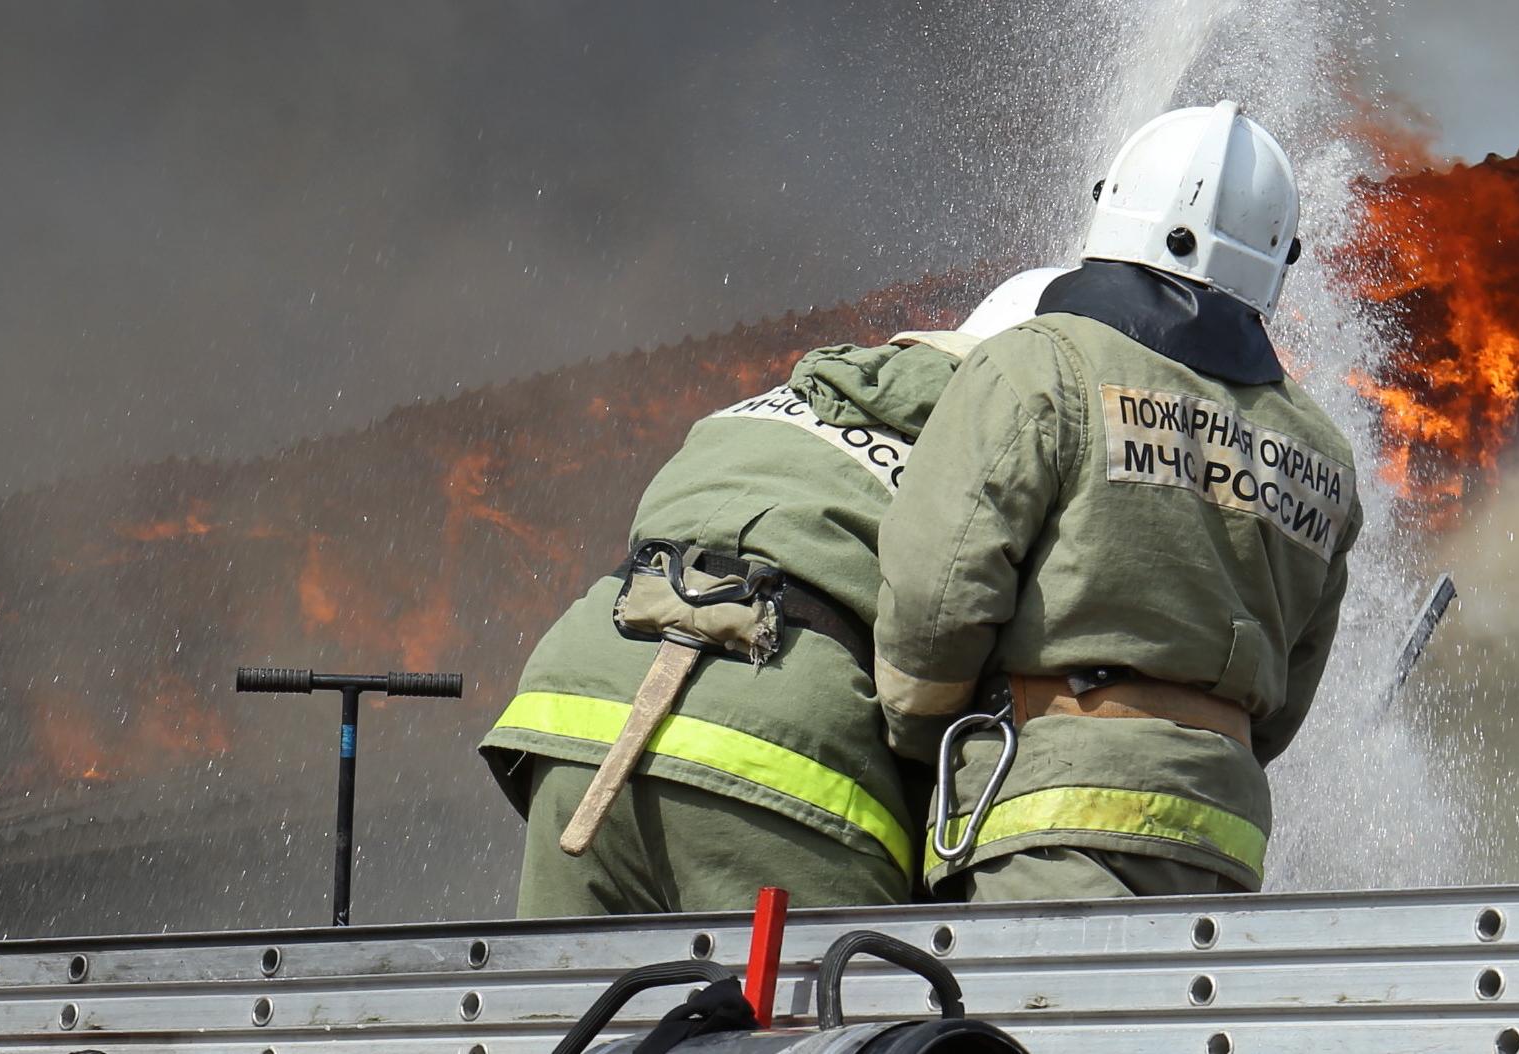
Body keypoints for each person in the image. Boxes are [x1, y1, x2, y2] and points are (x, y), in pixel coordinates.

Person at [874, 101, 1361, 901]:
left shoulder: (1037, 365)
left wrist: (926, 744)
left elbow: (936, 598)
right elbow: (1288, 692)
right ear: (1277, 257)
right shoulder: (1324, 451)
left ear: (1114, 206)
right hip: (1220, 844)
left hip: (1046, 822)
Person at [478, 267, 1067, 915]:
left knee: (572, 1008)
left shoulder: (775, 402)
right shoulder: (1010, 441)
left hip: (576, 715)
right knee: (830, 1015)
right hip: (777, 753)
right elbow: (957, 651)